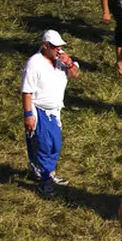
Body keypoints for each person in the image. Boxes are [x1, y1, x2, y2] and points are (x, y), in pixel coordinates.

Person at [21, 30, 80, 196]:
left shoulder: (61, 60)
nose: (58, 50)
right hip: (39, 110)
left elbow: (76, 74)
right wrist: (28, 115)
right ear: (45, 46)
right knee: (44, 146)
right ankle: (44, 181)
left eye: (60, 47)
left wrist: (68, 63)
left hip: (55, 111)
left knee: (55, 145)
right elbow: (27, 92)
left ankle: (49, 173)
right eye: (54, 47)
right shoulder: (34, 63)